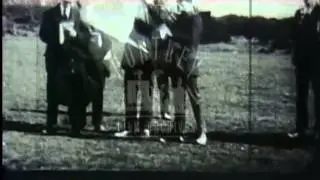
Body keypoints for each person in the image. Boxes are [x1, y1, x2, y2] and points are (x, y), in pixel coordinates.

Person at [288, 0, 319, 140]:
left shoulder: (317, 10)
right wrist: (295, 55)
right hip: (302, 60)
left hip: (316, 59)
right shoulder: (300, 12)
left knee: (318, 95)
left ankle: (318, 130)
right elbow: (295, 36)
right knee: (301, 96)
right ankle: (301, 128)